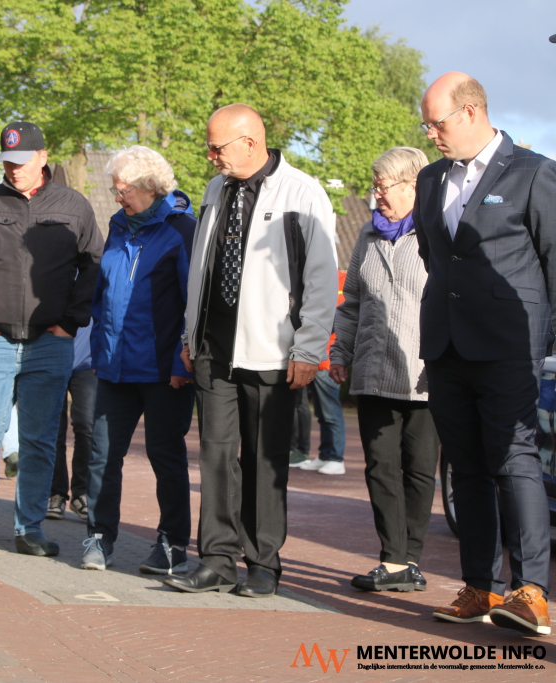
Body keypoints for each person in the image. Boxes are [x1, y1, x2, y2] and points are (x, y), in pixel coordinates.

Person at [166, 104, 337, 597]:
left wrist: (309, 347)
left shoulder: (302, 192)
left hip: (272, 351)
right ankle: (216, 560)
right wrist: (190, 336)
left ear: (250, 142)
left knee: (265, 459)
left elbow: (322, 276)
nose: (210, 156)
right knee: (216, 457)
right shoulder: (215, 189)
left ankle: (263, 563)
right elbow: (202, 268)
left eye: (216, 147)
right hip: (214, 349)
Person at [415, 73, 554, 636]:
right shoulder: (429, 178)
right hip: (446, 345)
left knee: (515, 460)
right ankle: (480, 586)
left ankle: (530, 592)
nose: (430, 134)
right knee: (465, 466)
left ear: (470, 112)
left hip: (510, 347)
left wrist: (545, 341)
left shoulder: (533, 172)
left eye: (436, 123)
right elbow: (434, 256)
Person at [0, 121, 102, 555]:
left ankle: (28, 527)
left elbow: (93, 265)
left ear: (42, 157)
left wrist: (70, 322)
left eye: (22, 161)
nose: (14, 169)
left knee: (39, 438)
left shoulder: (73, 205)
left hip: (50, 342)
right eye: (7, 162)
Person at [79, 146, 196, 575]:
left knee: (165, 456)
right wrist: (100, 349)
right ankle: (98, 536)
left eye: (123, 189)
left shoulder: (183, 230)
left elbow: (193, 303)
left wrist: (183, 362)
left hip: (164, 370)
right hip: (115, 366)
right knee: (102, 455)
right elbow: (103, 294)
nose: (117, 197)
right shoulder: (117, 227)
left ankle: (172, 543)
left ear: (150, 187)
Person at [329, 146, 438, 592]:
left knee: (420, 469)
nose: (377, 194)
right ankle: (393, 560)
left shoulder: (437, 233)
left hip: (425, 374)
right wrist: (340, 352)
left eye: (384, 186)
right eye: (375, 186)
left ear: (413, 186)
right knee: (380, 467)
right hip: (373, 371)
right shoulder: (367, 235)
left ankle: (410, 559)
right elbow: (352, 301)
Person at [293, 270, 347, 474]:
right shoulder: (313, 278)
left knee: (330, 412)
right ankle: (325, 455)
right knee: (322, 413)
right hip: (312, 356)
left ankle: (336, 458)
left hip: (327, 359)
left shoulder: (342, 280)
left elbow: (339, 318)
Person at [46, 320, 95, 521]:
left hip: (87, 363)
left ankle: (81, 493)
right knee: (53, 429)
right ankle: (56, 494)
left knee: (87, 424)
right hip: (51, 358)